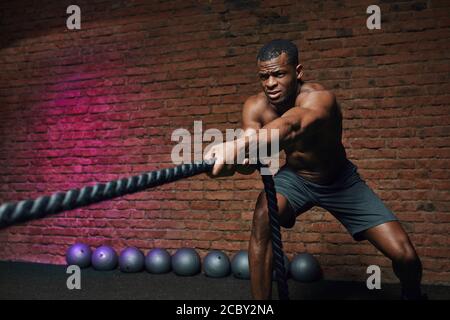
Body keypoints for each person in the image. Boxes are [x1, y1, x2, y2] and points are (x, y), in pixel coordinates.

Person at [204, 39, 424, 300]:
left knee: (406, 257)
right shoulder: (256, 107)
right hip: (296, 179)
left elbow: (291, 125)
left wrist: (240, 143)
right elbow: (253, 157)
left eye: (278, 74)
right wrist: (225, 164)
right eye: (264, 76)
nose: (270, 83)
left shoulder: (320, 99)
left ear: (298, 73)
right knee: (264, 212)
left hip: (340, 181)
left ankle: (413, 295)